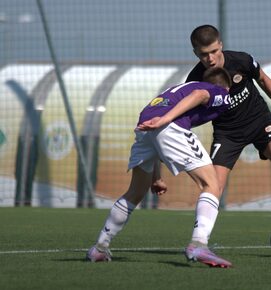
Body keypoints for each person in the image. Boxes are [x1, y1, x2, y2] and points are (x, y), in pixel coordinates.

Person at [186, 24, 271, 247]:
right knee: (213, 185)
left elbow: (264, 79)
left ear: (220, 44)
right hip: (227, 133)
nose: (209, 58)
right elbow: (188, 112)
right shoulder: (195, 79)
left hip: (259, 121)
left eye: (213, 51)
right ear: (195, 53)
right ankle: (201, 241)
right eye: (203, 54)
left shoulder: (241, 60)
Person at [86, 67, 233, 268]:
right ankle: (199, 244)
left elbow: (156, 138)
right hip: (167, 124)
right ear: (224, 86)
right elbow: (200, 95)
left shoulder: (175, 90)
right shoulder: (217, 91)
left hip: (146, 122)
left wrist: (156, 176)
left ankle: (100, 247)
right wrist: (166, 120)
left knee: (136, 191)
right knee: (211, 184)